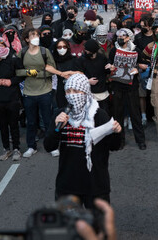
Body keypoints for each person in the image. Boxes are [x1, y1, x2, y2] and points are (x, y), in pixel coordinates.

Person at [44, 74, 122, 209]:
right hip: (68, 184)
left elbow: (114, 146)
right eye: (68, 91)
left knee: (97, 228)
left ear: (85, 92)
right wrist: (56, 129)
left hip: (95, 185)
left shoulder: (99, 115)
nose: (72, 95)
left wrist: (117, 132)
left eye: (76, 91)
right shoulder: (61, 115)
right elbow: (49, 146)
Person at [16, 28, 62, 158]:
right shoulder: (22, 53)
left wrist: (40, 74)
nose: (36, 37)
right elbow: (17, 71)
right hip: (29, 93)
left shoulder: (45, 52)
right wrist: (27, 73)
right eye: (32, 35)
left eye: (37, 34)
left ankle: (52, 146)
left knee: (47, 120)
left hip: (45, 91)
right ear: (26, 39)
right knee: (31, 122)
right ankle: (31, 146)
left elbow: (52, 69)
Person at [0, 37, 24, 161]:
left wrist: (11, 81)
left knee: (13, 124)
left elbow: (21, 75)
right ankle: (6, 149)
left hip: (12, 96)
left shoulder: (13, 59)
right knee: (2, 125)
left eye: (2, 45)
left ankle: (16, 148)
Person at [108, 29, 146, 150]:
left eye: (123, 36)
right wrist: (110, 67)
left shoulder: (135, 50)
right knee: (118, 114)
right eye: (119, 35)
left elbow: (143, 65)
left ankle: (140, 141)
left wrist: (138, 69)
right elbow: (109, 64)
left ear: (128, 38)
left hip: (131, 86)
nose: (121, 38)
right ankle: (120, 141)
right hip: (117, 85)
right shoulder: (114, 50)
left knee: (135, 113)